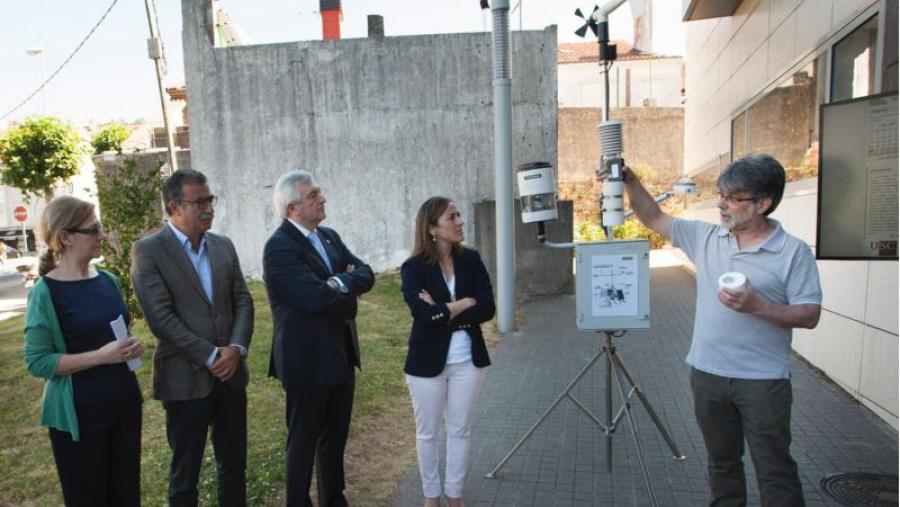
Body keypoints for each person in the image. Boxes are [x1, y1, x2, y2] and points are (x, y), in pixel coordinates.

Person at [621, 154, 822, 506]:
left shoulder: (793, 252)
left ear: (763, 203)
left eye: (733, 198)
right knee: (722, 465)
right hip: (708, 374)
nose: (721, 204)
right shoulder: (708, 237)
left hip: (763, 381)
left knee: (774, 469)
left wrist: (756, 306)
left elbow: (809, 315)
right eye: (721, 194)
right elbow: (653, 217)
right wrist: (629, 179)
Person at [131, 169, 254, 507]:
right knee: (185, 474)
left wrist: (236, 349)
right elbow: (161, 319)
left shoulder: (223, 246)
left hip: (231, 377)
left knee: (234, 467)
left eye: (210, 199)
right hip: (185, 381)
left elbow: (242, 299)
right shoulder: (149, 251)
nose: (209, 208)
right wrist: (212, 356)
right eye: (199, 202)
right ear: (173, 207)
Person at [263, 169, 375, 507]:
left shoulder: (329, 236)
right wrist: (344, 285)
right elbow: (314, 297)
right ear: (293, 207)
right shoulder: (279, 247)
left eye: (319, 193)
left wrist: (338, 284)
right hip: (306, 362)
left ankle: (333, 499)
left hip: (340, 355)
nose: (322, 198)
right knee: (303, 442)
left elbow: (367, 273)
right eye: (313, 195)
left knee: (335, 439)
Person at [24, 196, 144, 506]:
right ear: (65, 237)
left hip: (125, 406)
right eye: (93, 229)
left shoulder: (109, 281)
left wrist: (131, 347)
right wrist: (101, 357)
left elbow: (117, 334)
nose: (101, 235)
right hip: (80, 417)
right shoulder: (45, 292)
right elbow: (38, 362)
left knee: (126, 495)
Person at [401, 196, 495, 507]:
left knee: (459, 429)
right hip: (426, 362)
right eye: (451, 217)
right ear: (432, 228)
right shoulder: (413, 268)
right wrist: (463, 303)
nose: (459, 222)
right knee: (428, 432)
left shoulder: (472, 259)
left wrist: (442, 311)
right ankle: (431, 496)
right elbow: (422, 314)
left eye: (459, 215)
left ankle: (454, 496)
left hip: (468, 360)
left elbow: (487, 308)